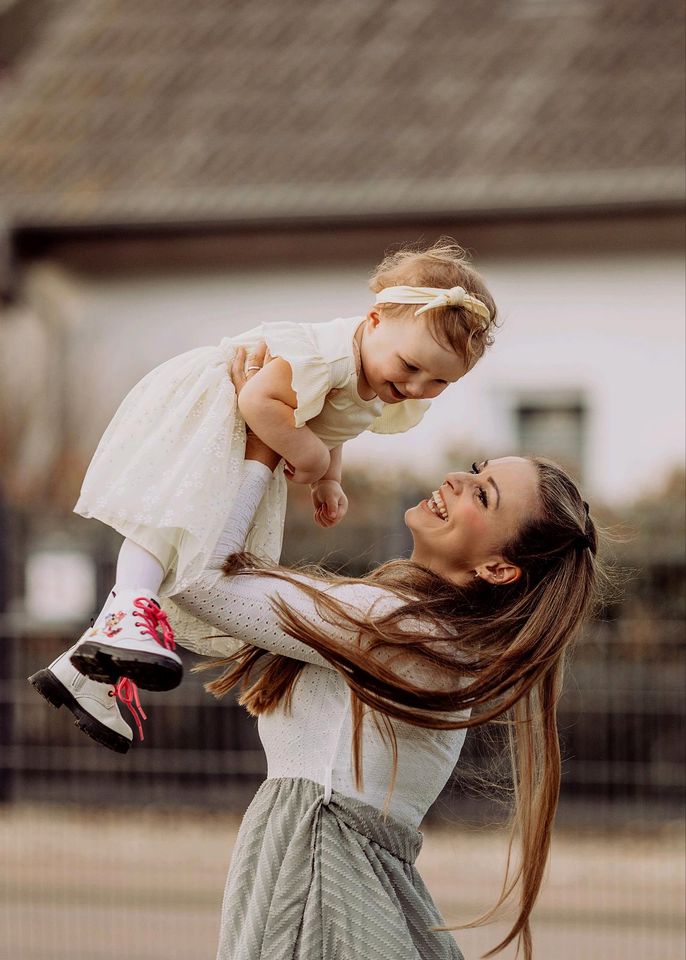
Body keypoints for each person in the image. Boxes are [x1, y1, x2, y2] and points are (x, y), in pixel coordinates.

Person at [165, 353, 601, 960]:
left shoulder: (400, 629)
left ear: (498, 568)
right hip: (328, 874)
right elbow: (224, 600)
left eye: (485, 493)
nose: (457, 480)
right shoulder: (421, 631)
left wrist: (263, 446)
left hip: (318, 882)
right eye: (474, 469)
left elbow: (201, 585)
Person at [28, 240, 498, 753]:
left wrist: (327, 477)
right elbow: (258, 399)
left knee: (187, 539)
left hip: (242, 435)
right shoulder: (327, 354)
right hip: (216, 409)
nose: (416, 386)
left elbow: (325, 424)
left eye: (439, 382)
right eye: (411, 366)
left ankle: (83, 674)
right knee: (169, 525)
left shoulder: (373, 375)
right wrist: (311, 456)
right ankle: (128, 612)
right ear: (376, 320)